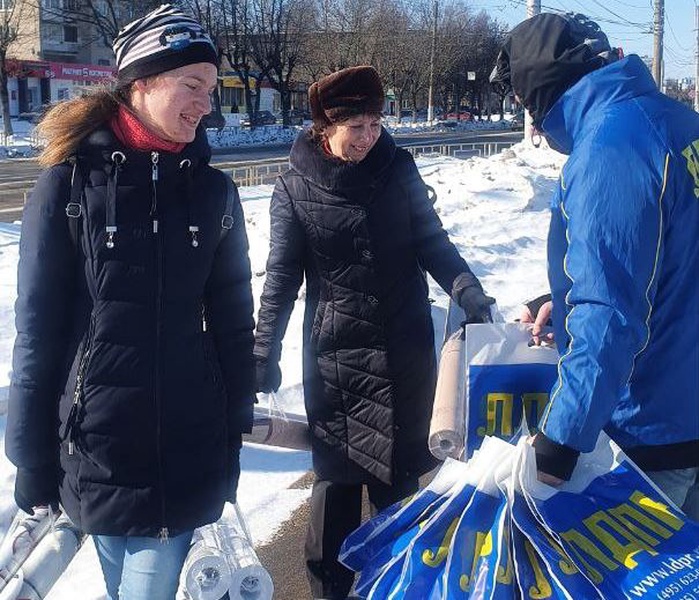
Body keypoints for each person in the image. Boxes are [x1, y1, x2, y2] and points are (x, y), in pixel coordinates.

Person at [6, 5, 255, 598]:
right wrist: (30, 455)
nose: (205, 103)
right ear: (140, 83)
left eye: (211, 88)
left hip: (186, 443)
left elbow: (232, 320)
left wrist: (233, 431)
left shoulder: (214, 192)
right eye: (191, 85)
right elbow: (36, 329)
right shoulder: (66, 187)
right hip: (95, 448)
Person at [253, 65, 494, 600]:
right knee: (335, 489)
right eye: (355, 127)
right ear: (324, 127)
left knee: (400, 489)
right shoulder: (295, 187)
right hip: (336, 362)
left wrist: (468, 290)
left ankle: (400, 588)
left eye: (374, 124)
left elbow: (433, 243)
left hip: (405, 355)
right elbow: (282, 279)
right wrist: (262, 352)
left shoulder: (398, 168)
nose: (368, 138)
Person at [490, 13, 699, 518]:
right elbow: (673, 258)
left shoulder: (610, 147)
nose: (534, 125)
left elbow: (611, 313)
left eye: (525, 103)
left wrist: (561, 441)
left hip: (649, 430)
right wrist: (561, 299)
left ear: (543, 90)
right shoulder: (680, 124)